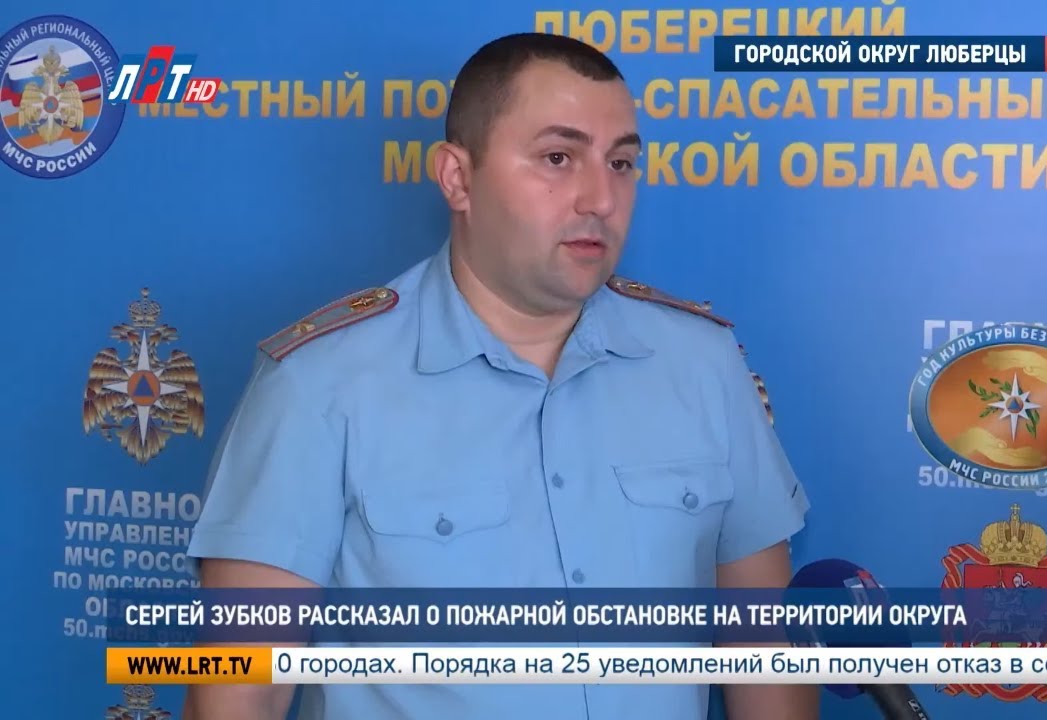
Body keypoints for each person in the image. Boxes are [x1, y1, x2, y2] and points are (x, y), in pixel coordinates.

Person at [183, 31, 814, 720]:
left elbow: (763, 648)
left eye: (621, 163)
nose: (601, 198)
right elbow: (242, 689)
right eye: (558, 158)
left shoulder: (703, 364)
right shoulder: (319, 384)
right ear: (458, 178)